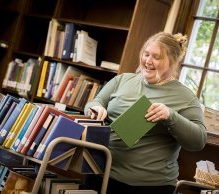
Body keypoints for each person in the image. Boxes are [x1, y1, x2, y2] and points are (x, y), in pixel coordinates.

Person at [84, 32, 207, 194]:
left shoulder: (186, 97)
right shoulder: (123, 80)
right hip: (99, 174)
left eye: (156, 57)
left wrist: (171, 116)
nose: (148, 61)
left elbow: (198, 141)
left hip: (150, 186)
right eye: (146, 54)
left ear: (173, 61)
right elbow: (94, 102)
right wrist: (96, 108)